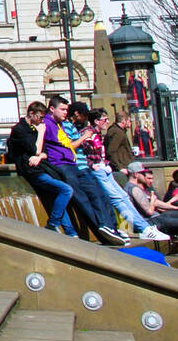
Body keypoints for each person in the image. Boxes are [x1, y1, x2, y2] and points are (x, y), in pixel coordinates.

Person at [43, 95, 127, 245]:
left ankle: (110, 229)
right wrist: (84, 138)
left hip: (73, 164)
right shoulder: (48, 124)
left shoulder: (59, 124)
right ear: (52, 109)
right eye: (62, 109)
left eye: (66, 110)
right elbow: (66, 146)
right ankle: (102, 230)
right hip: (64, 165)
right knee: (84, 198)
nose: (64, 112)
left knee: (101, 196)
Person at [80, 107, 167, 241]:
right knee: (117, 199)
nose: (107, 122)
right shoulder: (87, 133)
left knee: (123, 197)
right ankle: (142, 228)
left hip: (104, 168)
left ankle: (144, 227)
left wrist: (105, 164)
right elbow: (82, 154)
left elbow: (102, 152)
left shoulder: (99, 134)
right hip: (98, 170)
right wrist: (98, 166)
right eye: (105, 119)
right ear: (96, 121)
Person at [7, 101, 74, 235]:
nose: (42, 121)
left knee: (57, 194)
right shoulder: (20, 130)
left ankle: (70, 232)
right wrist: (41, 134)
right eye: (40, 117)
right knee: (66, 190)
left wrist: (39, 157)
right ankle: (53, 224)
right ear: (32, 113)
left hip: (41, 168)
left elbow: (44, 153)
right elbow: (36, 150)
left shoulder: (35, 128)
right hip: (31, 171)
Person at [128, 165, 178, 238]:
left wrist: (175, 208)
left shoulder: (141, 188)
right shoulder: (134, 189)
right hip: (150, 222)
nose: (150, 180)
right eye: (144, 175)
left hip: (159, 217)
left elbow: (157, 203)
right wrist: (152, 201)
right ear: (136, 174)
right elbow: (149, 211)